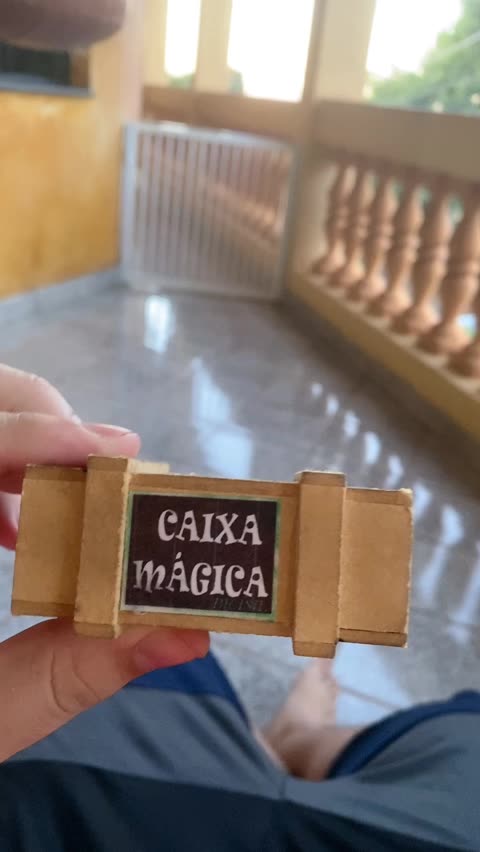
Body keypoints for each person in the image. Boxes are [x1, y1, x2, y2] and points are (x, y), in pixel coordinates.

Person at [0, 364, 479, 851]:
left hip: (85, 803)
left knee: (174, 665)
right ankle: (296, 740)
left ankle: (289, 741)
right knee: (466, 728)